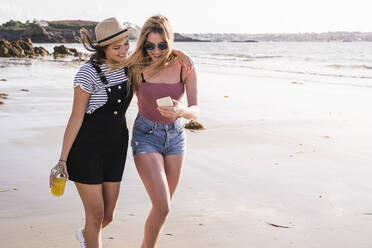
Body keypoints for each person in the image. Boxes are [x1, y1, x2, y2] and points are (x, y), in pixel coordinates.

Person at [49, 17, 192, 248]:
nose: (125, 50)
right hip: (86, 151)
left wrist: (177, 51)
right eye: (117, 47)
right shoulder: (88, 73)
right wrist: (62, 160)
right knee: (95, 216)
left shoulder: (129, 66)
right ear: (102, 48)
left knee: (108, 216)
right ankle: (90, 238)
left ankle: (85, 237)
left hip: (115, 150)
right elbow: (76, 117)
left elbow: (156, 51)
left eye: (126, 43)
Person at [118, 14, 199, 248]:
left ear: (170, 42)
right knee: (162, 205)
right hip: (146, 136)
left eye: (162, 45)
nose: (155, 50)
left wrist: (182, 111)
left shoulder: (185, 65)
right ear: (143, 43)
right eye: (150, 45)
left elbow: (196, 110)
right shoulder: (136, 66)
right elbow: (110, 63)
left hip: (175, 137)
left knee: (162, 209)